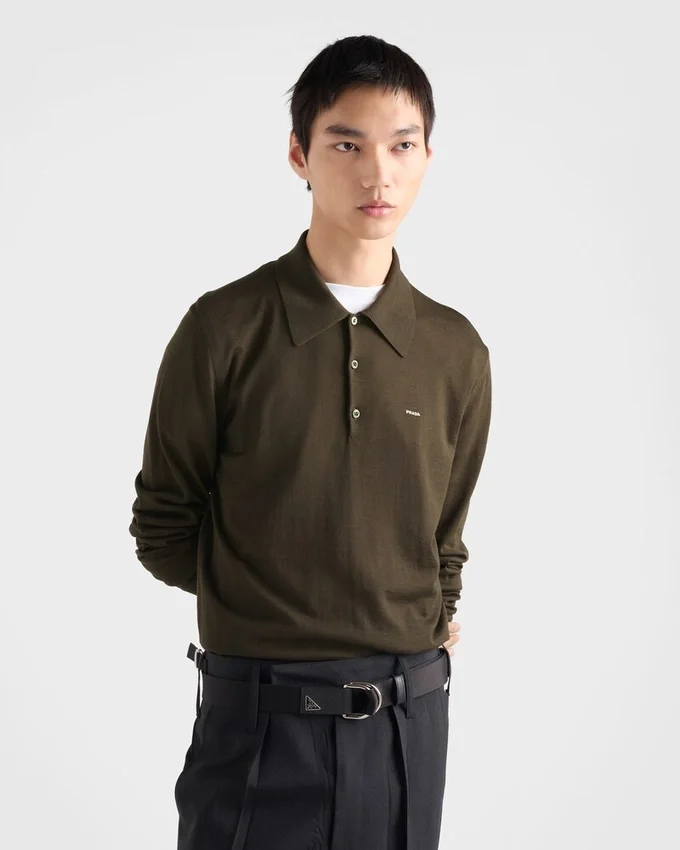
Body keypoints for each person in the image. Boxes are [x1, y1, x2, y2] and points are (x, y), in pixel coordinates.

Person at [129, 33, 492, 850]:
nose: (377, 174)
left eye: (401, 146)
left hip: (408, 723)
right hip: (257, 719)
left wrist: (425, 611)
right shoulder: (222, 329)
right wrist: (276, 601)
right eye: (347, 144)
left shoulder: (455, 349)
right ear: (299, 154)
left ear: (428, 157)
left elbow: (444, 539)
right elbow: (163, 528)